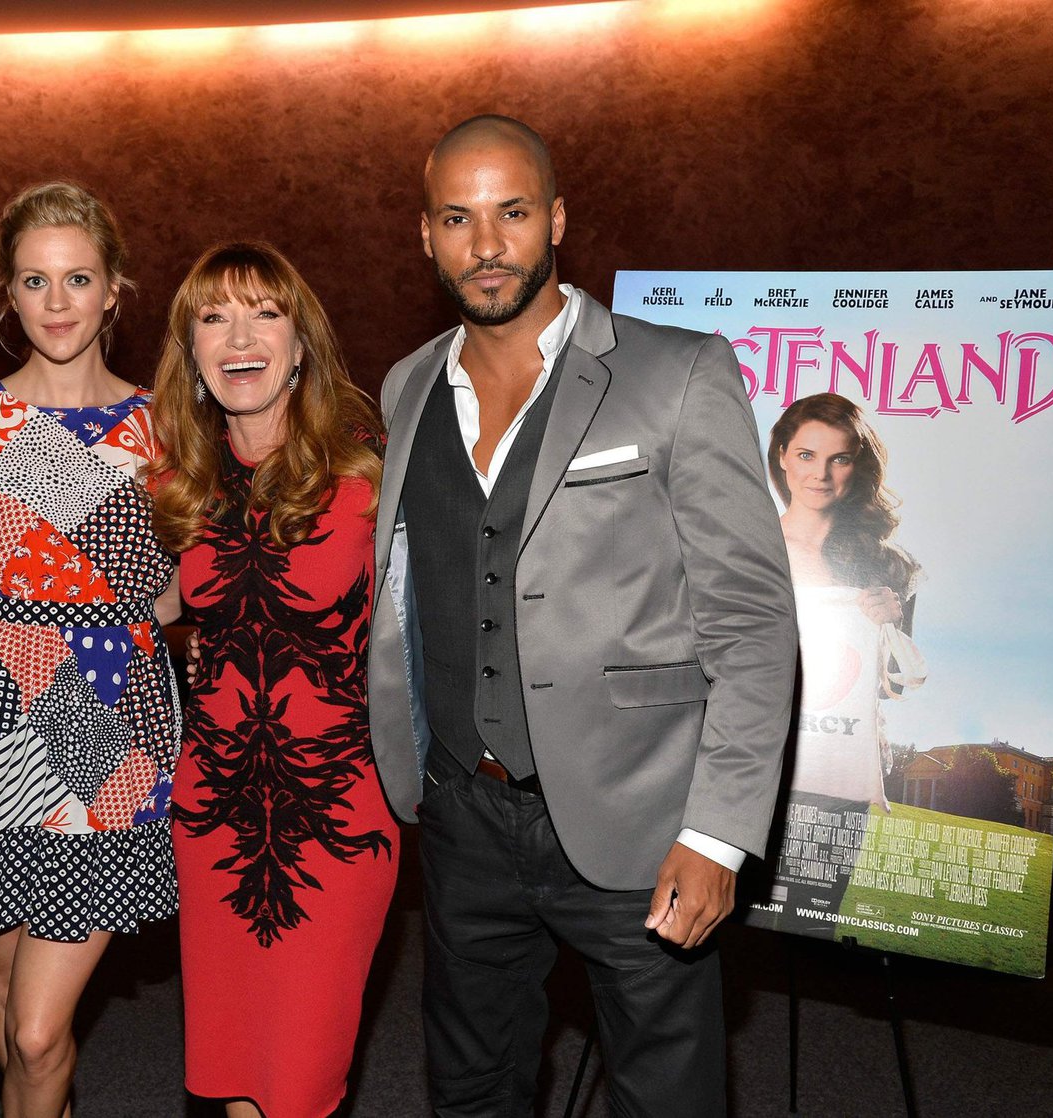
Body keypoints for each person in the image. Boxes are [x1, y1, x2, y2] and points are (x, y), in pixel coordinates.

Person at [366, 115, 799, 1116]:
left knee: (665, 1097)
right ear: (424, 234)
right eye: (456, 218)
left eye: (512, 212)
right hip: (462, 813)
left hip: (640, 818)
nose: (486, 244)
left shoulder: (677, 371)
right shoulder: (404, 387)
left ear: (556, 219)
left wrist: (718, 834)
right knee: (471, 1089)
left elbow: (750, 619)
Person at [0, 182, 181, 1118]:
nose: (57, 301)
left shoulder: (170, 425)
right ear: (8, 294)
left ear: (115, 289)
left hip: (106, 719)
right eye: (34, 280)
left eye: (77, 278)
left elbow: (179, 590)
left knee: (35, 1028)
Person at [151, 242, 399, 1118]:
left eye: (264, 314)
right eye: (212, 318)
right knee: (234, 1081)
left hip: (337, 811)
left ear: (301, 345)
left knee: (298, 1082)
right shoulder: (175, 481)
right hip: (212, 807)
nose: (239, 338)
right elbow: (138, 605)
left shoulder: (371, 469)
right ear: (190, 351)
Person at [764, 392, 924, 928]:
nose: (821, 474)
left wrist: (892, 624)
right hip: (749, 765)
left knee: (811, 920)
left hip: (834, 774)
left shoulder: (886, 567)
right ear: (782, 456)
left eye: (840, 458)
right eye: (806, 455)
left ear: (859, 468)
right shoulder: (745, 547)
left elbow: (890, 688)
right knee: (725, 925)